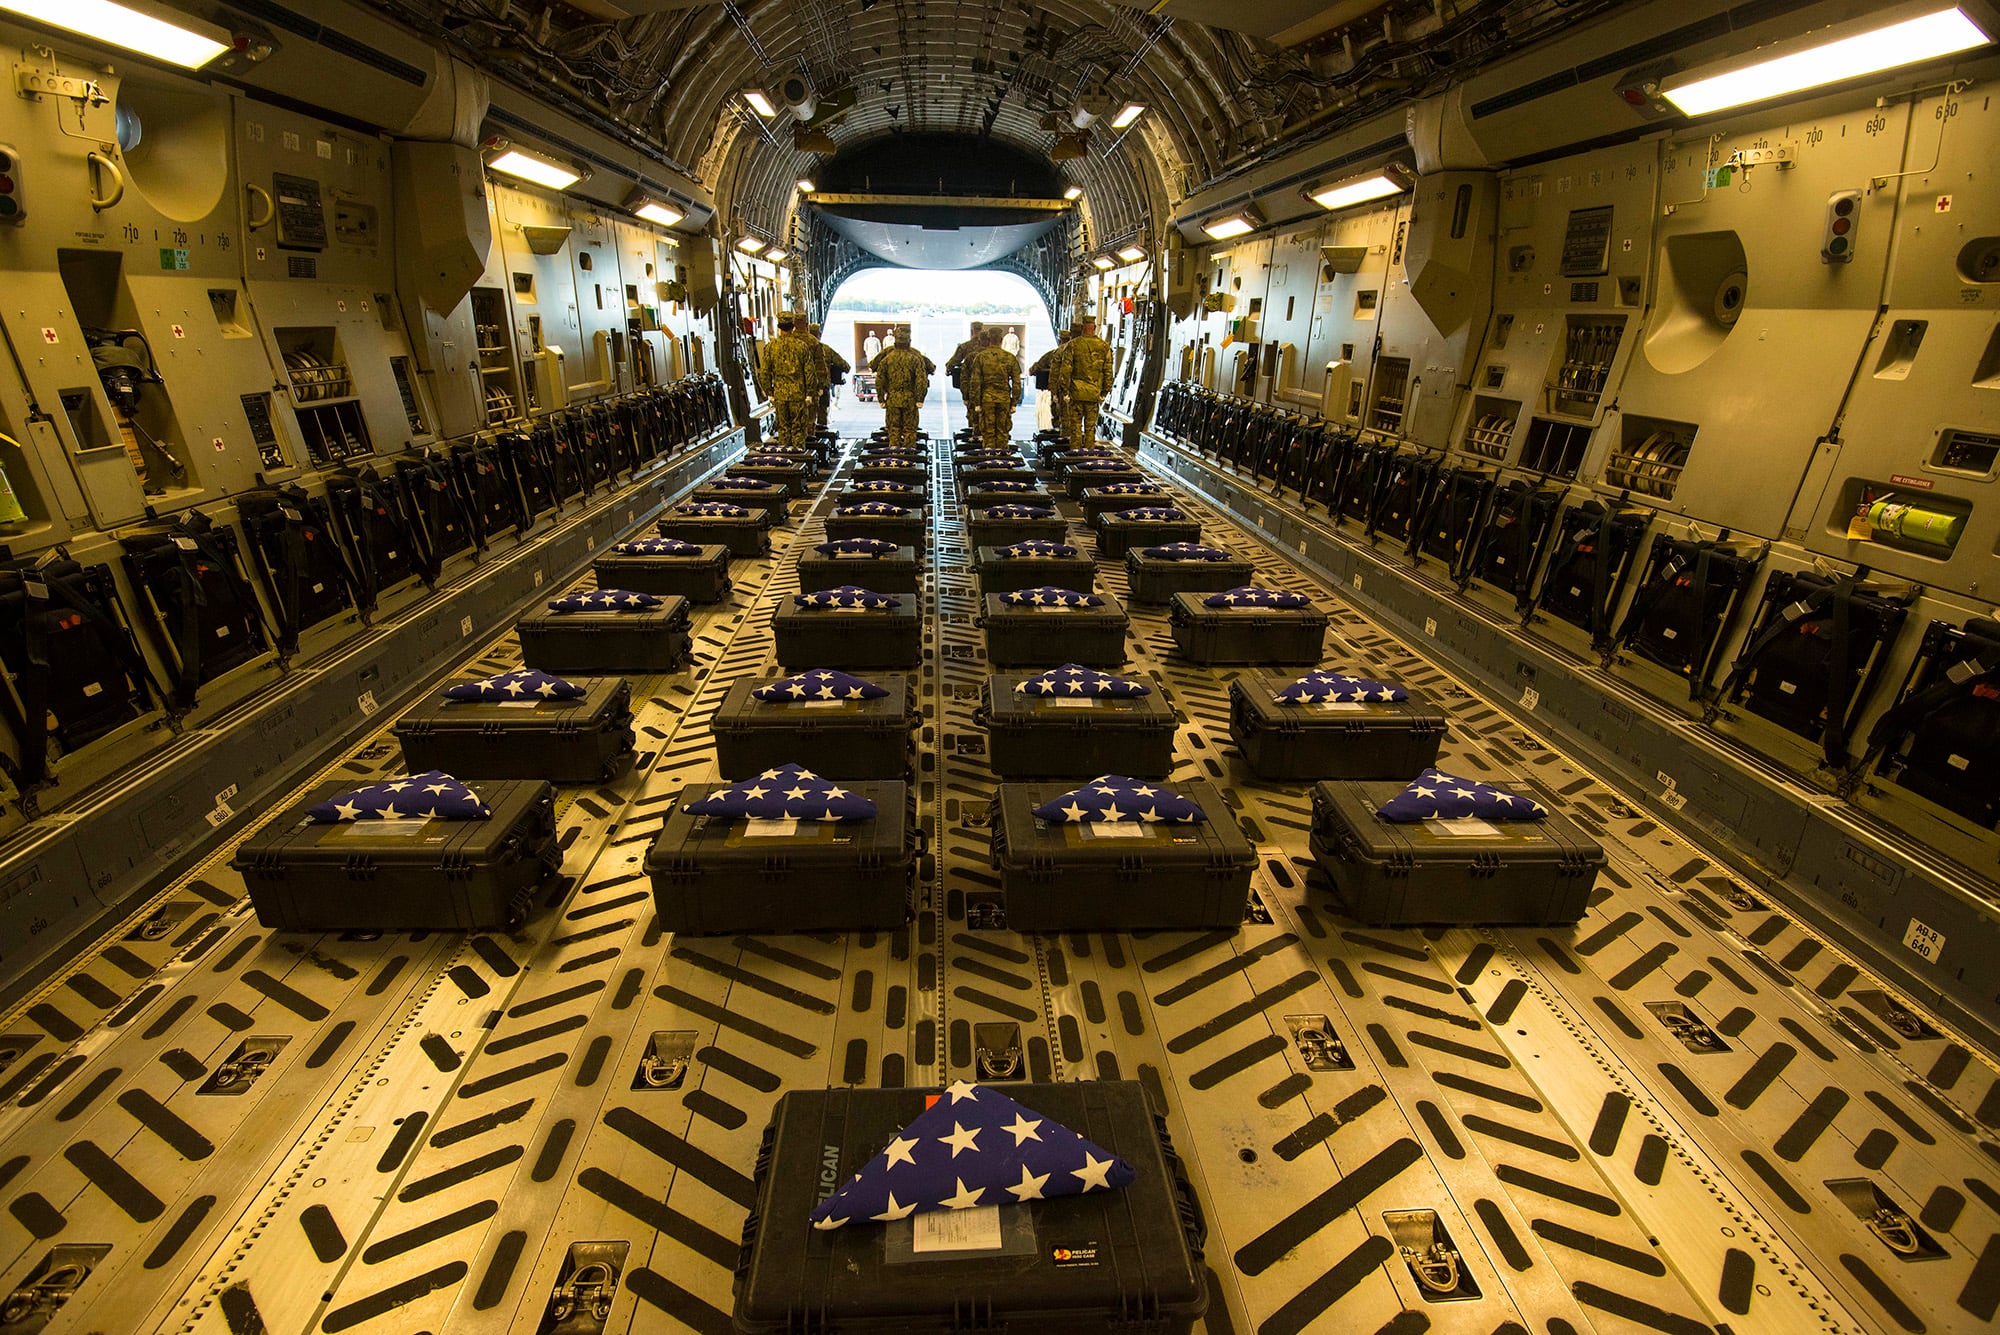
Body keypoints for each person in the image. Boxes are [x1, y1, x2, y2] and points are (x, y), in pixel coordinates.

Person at [758, 311, 816, 450]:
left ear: (779, 327)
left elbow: (764, 372)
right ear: (793, 327)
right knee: (798, 430)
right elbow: (809, 372)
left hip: (780, 396)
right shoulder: (801, 346)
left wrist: (769, 393)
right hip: (798, 396)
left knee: (783, 429)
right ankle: (799, 462)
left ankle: (786, 460)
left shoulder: (771, 347)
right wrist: (809, 394)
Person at [871, 328, 930, 450]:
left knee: (894, 429)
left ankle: (894, 455)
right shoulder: (915, 358)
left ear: (895, 342)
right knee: (910, 430)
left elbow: (879, 380)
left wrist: (881, 399)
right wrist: (920, 399)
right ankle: (908, 455)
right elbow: (921, 380)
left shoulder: (887, 359)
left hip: (892, 400)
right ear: (909, 342)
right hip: (910, 400)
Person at [967, 327, 1021, 451]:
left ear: (989, 339)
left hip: (987, 399)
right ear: (1002, 340)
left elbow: (975, 382)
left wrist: (976, 402)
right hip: (1004, 399)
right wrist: (1014, 402)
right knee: (1003, 431)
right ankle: (1002, 460)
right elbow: (1017, 382)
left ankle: (989, 460)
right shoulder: (1010, 357)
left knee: (988, 432)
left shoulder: (980, 357)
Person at [1066, 317, 1113, 449]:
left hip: (1076, 393)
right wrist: (1105, 391)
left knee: (1075, 427)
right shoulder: (1104, 347)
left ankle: (1075, 455)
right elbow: (1108, 371)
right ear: (1094, 328)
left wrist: (1064, 390)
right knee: (1090, 427)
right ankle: (1089, 454)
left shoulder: (1073, 345)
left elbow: (1066, 370)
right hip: (1093, 393)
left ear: (1082, 328)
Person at [1031, 328, 1073, 435]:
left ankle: (1061, 435)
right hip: (1074, 391)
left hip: (1058, 392)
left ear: (1060, 341)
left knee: (1059, 416)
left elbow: (1033, 369)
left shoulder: (1053, 354)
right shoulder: (1077, 354)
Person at [807, 322, 849, 431]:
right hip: (822, 387)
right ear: (819, 335)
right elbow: (844, 365)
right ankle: (821, 434)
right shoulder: (825, 349)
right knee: (822, 412)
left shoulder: (799, 347)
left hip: (804, 388)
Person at [946, 322, 985, 439]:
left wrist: (948, 368)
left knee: (974, 419)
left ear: (971, 331)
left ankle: (976, 442)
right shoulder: (990, 349)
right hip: (990, 390)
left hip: (972, 389)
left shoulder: (965, 347)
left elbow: (953, 362)